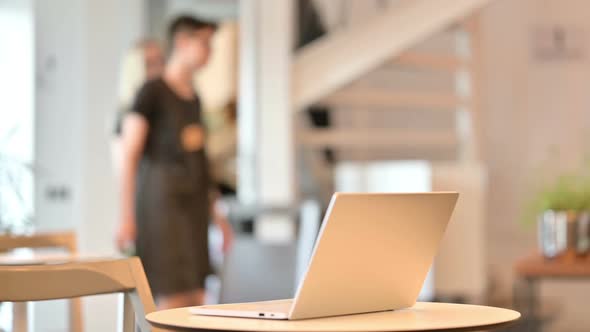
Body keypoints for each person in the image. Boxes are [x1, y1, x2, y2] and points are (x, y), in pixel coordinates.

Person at [116, 16, 233, 309]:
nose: (210, 51)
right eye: (204, 43)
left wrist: (217, 216)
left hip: (193, 212)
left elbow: (202, 164)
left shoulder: (194, 98)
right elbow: (129, 156)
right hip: (161, 211)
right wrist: (126, 218)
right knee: (171, 302)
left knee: (197, 298)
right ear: (182, 42)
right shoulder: (151, 92)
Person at [111, 39, 164, 176]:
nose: (159, 68)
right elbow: (125, 169)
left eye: (161, 61)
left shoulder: (165, 105)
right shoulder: (126, 113)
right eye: (150, 64)